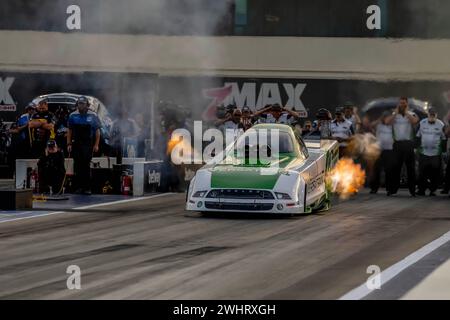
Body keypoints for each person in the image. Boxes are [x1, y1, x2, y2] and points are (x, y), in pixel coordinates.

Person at [385, 97, 419, 196]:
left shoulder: (411, 114)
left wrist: (406, 112)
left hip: (408, 143)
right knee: (395, 167)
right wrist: (396, 112)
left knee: (410, 168)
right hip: (397, 144)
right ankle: (393, 189)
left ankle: (412, 190)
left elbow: (415, 121)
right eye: (400, 103)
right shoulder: (394, 115)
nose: (402, 105)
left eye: (404, 103)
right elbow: (387, 122)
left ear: (407, 104)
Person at [67, 96, 101, 195]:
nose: (81, 106)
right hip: (76, 143)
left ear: (87, 105)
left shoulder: (93, 115)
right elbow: (69, 130)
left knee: (86, 165)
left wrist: (96, 145)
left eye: (83, 104)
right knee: (77, 166)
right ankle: (78, 187)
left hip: (87, 144)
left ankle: (87, 188)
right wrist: (69, 143)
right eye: (80, 104)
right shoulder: (72, 115)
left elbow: (97, 132)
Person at [416, 108, 446, 196]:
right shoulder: (422, 123)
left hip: (435, 153)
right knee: (422, 172)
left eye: (434, 114)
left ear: (436, 115)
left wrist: (443, 151)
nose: (432, 116)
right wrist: (415, 148)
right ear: (428, 114)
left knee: (435, 172)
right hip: (423, 152)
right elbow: (417, 136)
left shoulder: (441, 124)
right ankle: (421, 190)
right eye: (430, 114)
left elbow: (444, 139)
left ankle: (433, 190)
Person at [369, 111, 395, 195]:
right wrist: (380, 119)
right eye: (385, 117)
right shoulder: (379, 125)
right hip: (378, 150)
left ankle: (389, 189)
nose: (386, 119)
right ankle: (374, 188)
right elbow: (371, 125)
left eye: (388, 117)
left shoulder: (393, 126)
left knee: (389, 170)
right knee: (376, 169)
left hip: (389, 150)